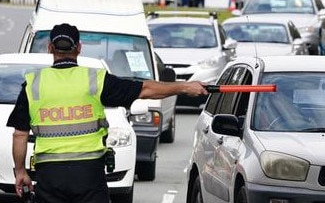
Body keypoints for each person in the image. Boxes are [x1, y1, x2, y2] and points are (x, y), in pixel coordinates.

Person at [7, 23, 208, 203]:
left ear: (50, 48)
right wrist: (184, 87)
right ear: (78, 48)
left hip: (50, 175)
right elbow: (145, 89)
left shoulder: (33, 84)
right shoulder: (96, 79)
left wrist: (20, 171)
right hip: (89, 174)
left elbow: (20, 135)